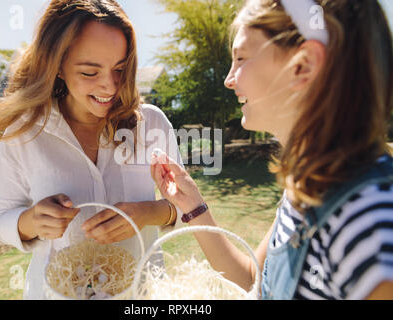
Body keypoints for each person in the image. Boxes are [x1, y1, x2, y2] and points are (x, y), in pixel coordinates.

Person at [151, 0, 393, 300]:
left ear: (303, 66)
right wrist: (193, 206)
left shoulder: (369, 225)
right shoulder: (308, 188)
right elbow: (254, 278)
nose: (229, 79)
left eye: (240, 58)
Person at [0, 0, 183, 300]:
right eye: (89, 72)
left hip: (141, 296)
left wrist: (148, 213)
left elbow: (185, 207)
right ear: (57, 66)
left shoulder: (151, 124)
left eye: (120, 69)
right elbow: (1, 219)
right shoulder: (23, 135)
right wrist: (32, 220)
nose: (109, 87)